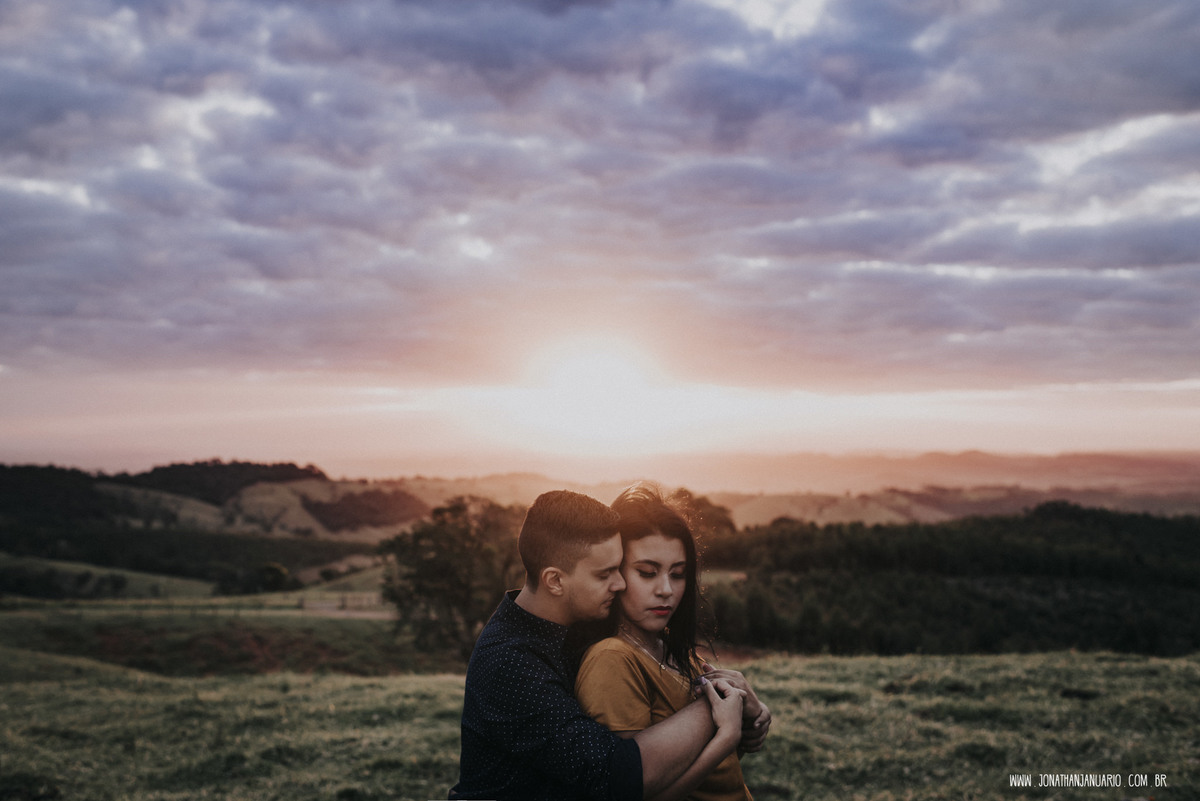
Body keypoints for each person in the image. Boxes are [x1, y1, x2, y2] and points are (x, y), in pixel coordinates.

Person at [450, 489, 746, 801]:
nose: (619, 584)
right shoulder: (510, 661)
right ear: (555, 581)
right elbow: (614, 775)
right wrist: (715, 705)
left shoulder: (566, 628)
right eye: (604, 575)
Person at [573, 483, 770, 801]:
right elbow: (636, 794)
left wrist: (751, 717)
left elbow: (708, 773)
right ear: (615, 573)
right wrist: (727, 734)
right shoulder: (612, 659)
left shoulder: (672, 650)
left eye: (677, 574)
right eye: (648, 573)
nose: (666, 589)